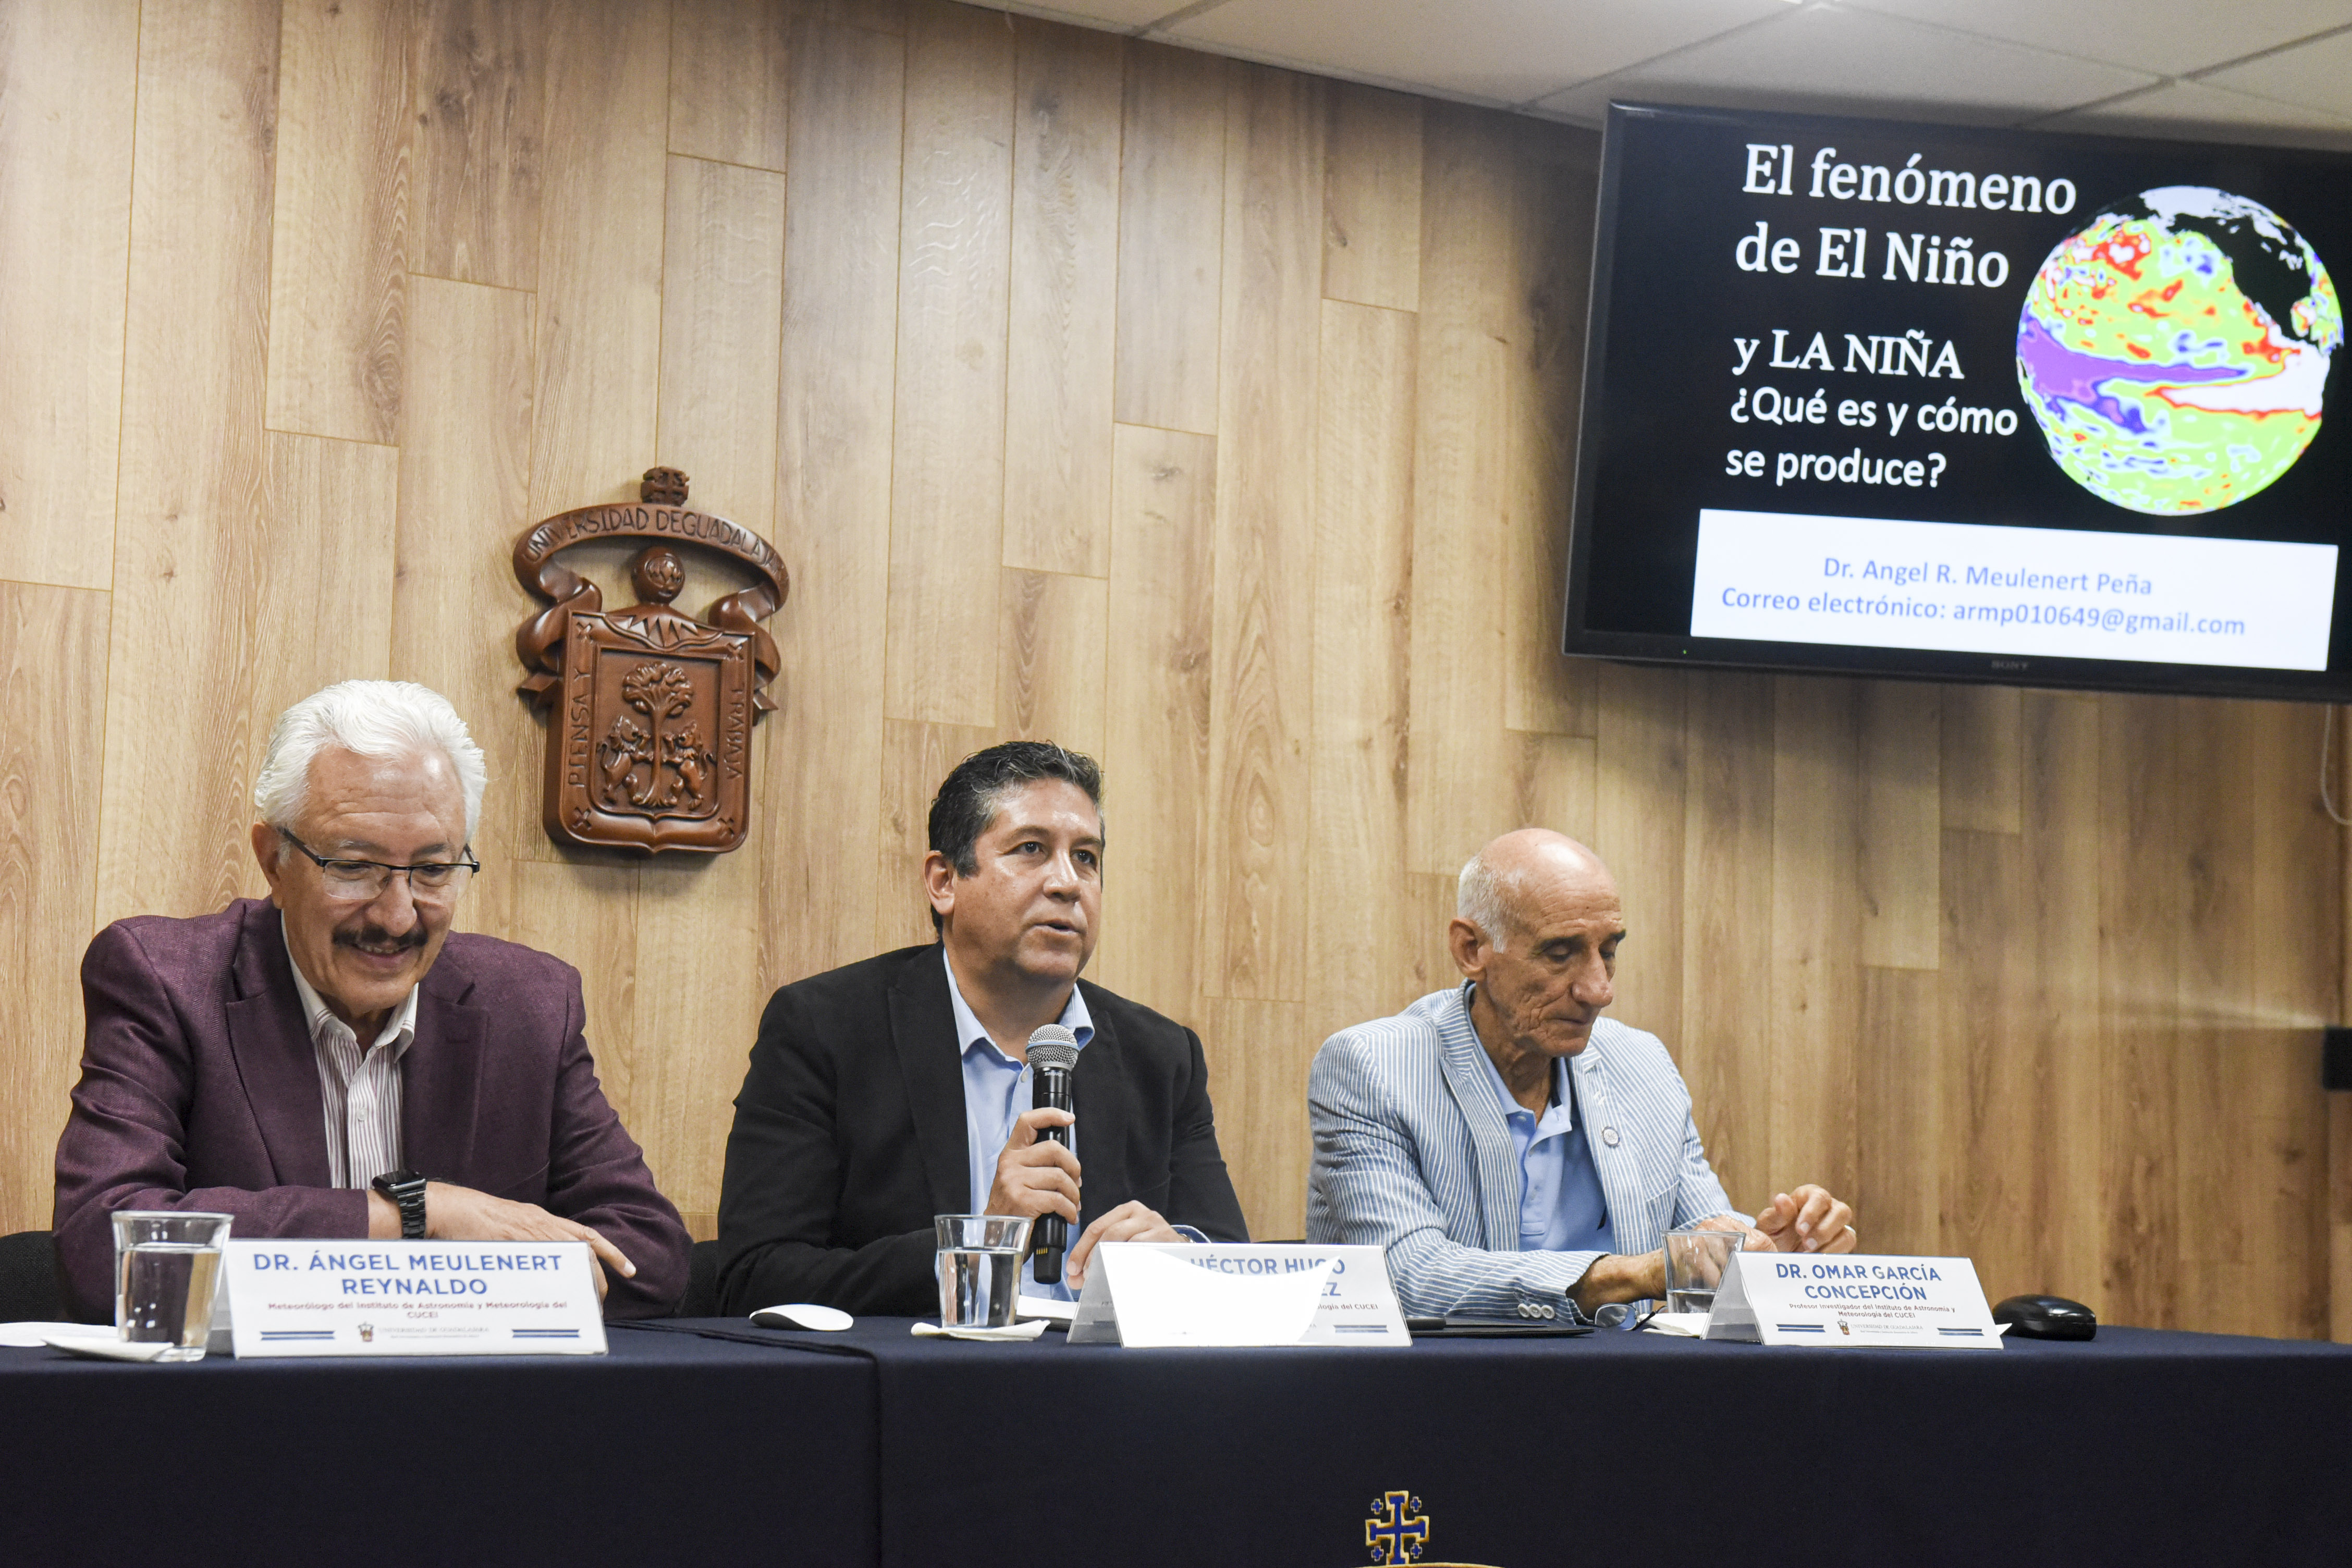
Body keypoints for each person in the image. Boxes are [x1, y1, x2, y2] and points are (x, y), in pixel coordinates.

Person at [51, 680, 690, 1319]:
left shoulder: (529, 1004)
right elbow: (106, 1245)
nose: (397, 915)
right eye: (354, 867)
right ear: (274, 861)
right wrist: (416, 1214)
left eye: (433, 870)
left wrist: (463, 1285)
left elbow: (649, 1252)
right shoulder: (167, 979)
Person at [715, 741, 1247, 1316]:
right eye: (1031, 849)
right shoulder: (826, 1029)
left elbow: (1235, 1268)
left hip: (1099, 1371)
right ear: (944, 881)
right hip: (924, 1368)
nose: (1068, 883)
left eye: (1086, 857)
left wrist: (1181, 1261)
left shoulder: (1162, 1057)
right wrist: (974, 1244)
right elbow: (754, 1275)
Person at [1307, 828, 1856, 1322]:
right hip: (1435, 1393)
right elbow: (1407, 1275)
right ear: (1471, 949)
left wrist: (1769, 1257)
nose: (1599, 989)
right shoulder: (1373, 1067)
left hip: (1616, 1391)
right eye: (1560, 953)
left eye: (1609, 952)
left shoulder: (1642, 1064)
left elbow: (1700, 1243)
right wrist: (1631, 1275)